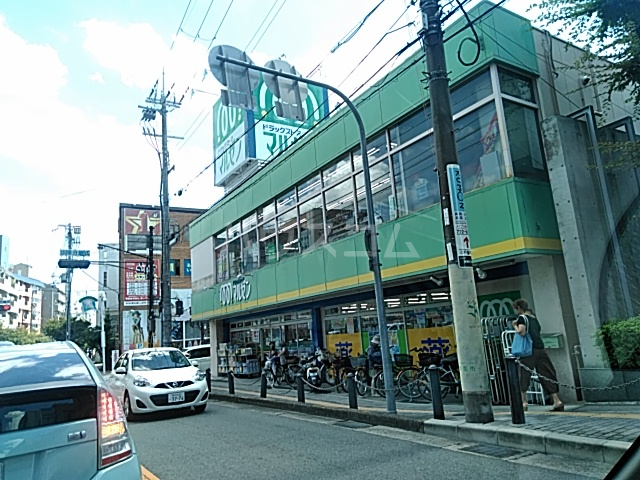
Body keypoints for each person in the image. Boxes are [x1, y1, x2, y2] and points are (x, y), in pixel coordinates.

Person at [512, 298, 564, 412]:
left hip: (528, 350)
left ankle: (523, 402)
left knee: (523, 374)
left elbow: (522, 332)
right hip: (540, 348)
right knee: (547, 373)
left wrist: (515, 325)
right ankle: (556, 400)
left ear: (518, 308)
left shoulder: (522, 318)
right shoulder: (533, 317)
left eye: (515, 309)